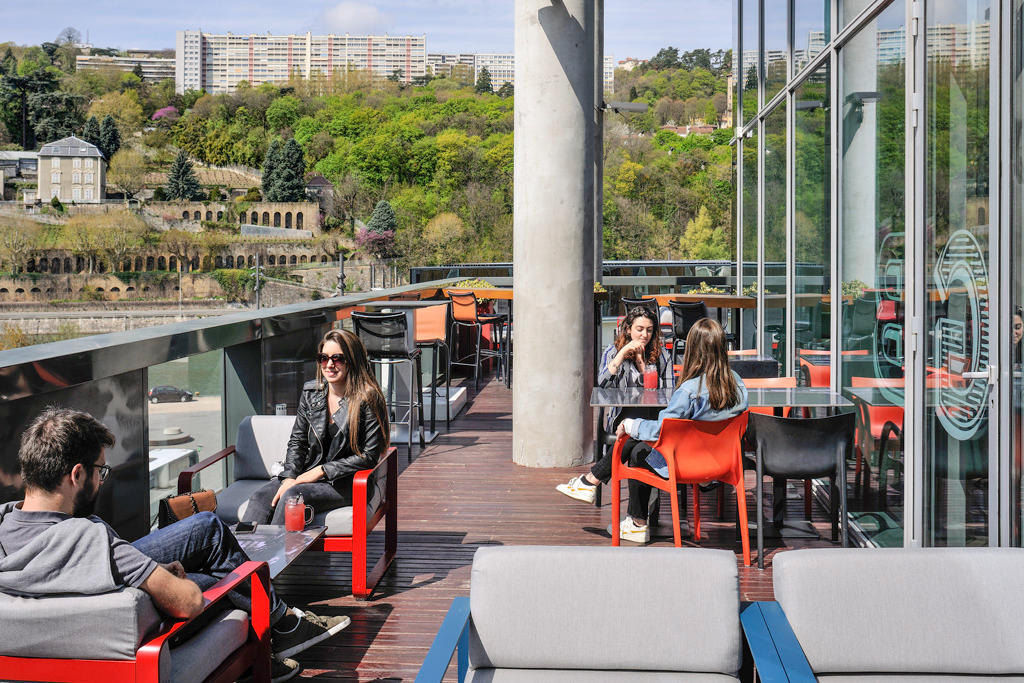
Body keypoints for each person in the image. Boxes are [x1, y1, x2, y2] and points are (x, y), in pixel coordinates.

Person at [0, 408, 352, 683]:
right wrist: (155, 576)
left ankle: (279, 629)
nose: (101, 480)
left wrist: (148, 571)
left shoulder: (4, 524)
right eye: (99, 472)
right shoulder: (91, 539)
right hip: (136, 632)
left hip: (61, 620)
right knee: (217, 570)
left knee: (208, 536)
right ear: (76, 475)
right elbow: (189, 602)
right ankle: (280, 627)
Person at [611, 318, 748, 543]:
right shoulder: (739, 384)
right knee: (635, 445)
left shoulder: (688, 391)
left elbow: (662, 432)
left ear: (693, 350)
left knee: (634, 448)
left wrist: (630, 424)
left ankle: (636, 523)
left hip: (685, 466)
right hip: (722, 464)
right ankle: (596, 483)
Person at [242, 329, 389, 526]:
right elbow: (298, 441)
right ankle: (244, 556)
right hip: (307, 475)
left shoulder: (368, 398)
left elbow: (368, 456)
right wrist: (289, 477)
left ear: (352, 361)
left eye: (338, 359)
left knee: (292, 497)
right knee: (260, 498)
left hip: (346, 482)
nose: (329, 364)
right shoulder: (311, 393)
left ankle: (277, 555)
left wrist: (322, 471)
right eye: (324, 358)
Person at [556, 306, 673, 513]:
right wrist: (620, 356)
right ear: (628, 329)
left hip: (653, 421)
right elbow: (600, 387)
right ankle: (637, 521)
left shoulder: (662, 356)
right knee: (636, 444)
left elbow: (668, 395)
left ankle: (591, 481)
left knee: (636, 443)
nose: (644, 335)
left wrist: (643, 365)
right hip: (622, 418)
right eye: (639, 329)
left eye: (649, 330)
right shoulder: (612, 351)